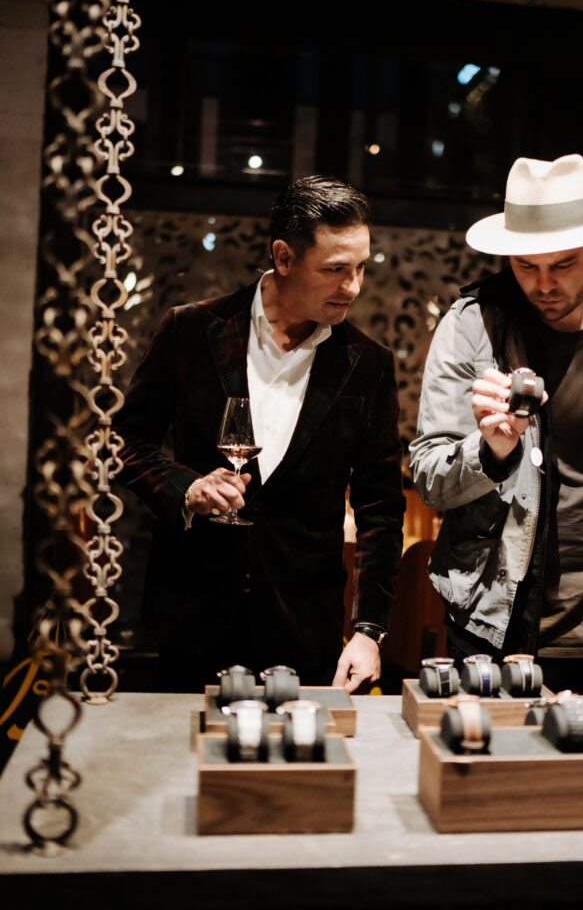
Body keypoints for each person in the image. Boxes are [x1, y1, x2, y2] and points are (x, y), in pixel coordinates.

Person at [116, 176, 404, 692]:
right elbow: (125, 442)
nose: (354, 287)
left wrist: (368, 631)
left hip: (303, 631)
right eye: (336, 270)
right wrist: (187, 487)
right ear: (284, 257)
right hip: (193, 619)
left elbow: (380, 507)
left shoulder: (369, 365)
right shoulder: (189, 331)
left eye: (361, 268)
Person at [410, 154, 583, 693]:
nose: (543, 285)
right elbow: (429, 478)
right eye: (525, 266)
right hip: (498, 620)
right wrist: (489, 452)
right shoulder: (472, 325)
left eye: (563, 265)